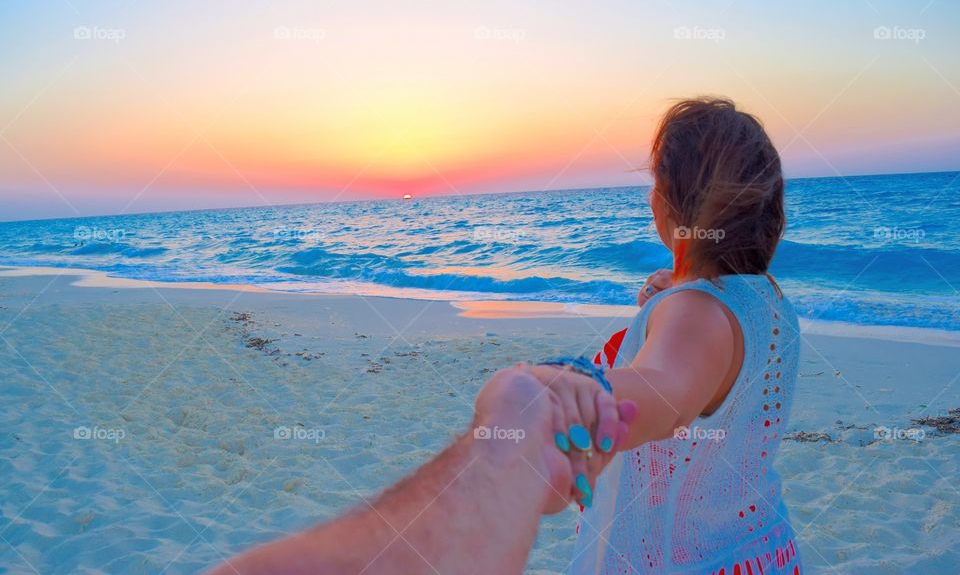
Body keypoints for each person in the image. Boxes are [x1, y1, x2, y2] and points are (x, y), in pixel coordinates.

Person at [529, 97, 803, 574]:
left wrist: (564, 392)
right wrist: (676, 289)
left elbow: (667, 392)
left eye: (656, 181)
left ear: (670, 203)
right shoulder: (766, 304)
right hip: (759, 549)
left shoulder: (695, 312)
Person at [208, 364, 639, 574]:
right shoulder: (686, 305)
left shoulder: (691, 310)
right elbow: (661, 382)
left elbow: (663, 380)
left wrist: (514, 422)